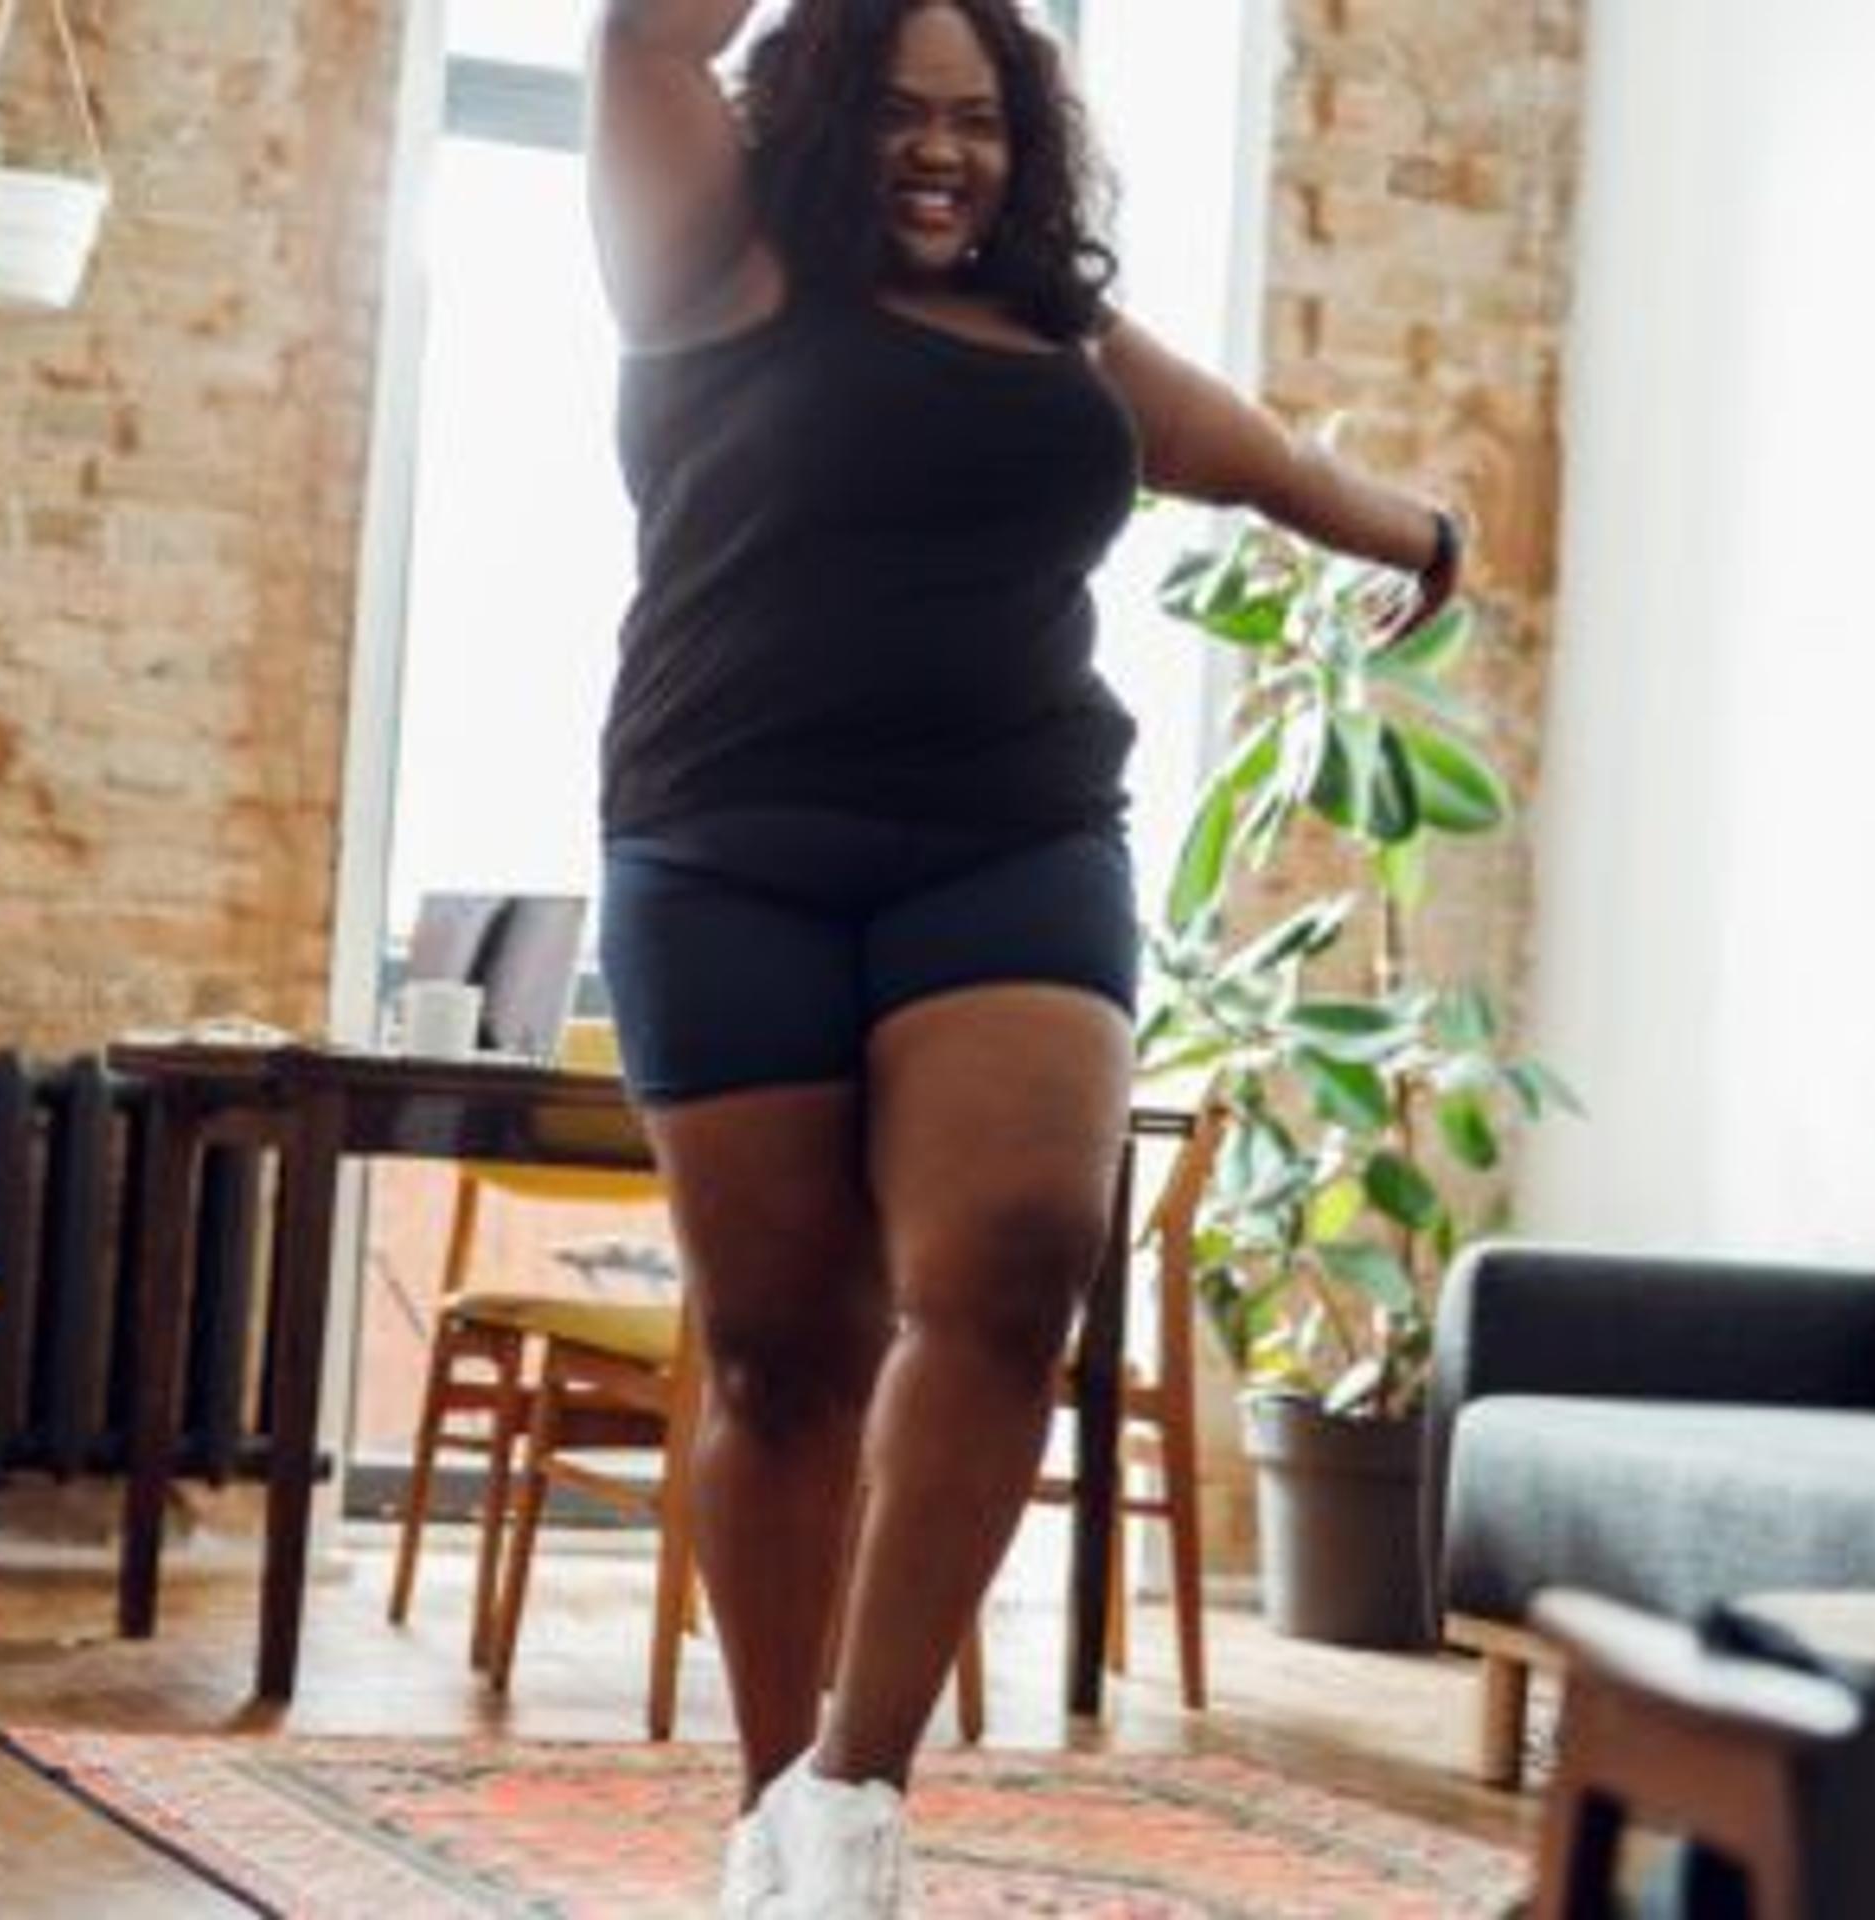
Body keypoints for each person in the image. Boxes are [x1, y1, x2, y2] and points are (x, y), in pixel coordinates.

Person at [583, 2, 1466, 1912]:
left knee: (1013, 1268)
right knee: (781, 1348)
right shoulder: (708, 257)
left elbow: (1245, 455)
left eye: (980, 121)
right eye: (898, 112)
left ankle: (855, 1794)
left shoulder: (1056, 327)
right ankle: (769, 1821)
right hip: (725, 847)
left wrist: (1418, 534)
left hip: (1015, 835)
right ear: (815, 109)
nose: (940, 152)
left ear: (1029, 143)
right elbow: (642, 31)